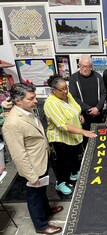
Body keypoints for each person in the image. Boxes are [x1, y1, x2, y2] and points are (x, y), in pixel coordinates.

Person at [2, 83, 63, 234]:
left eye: (34, 97)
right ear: (18, 101)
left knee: (42, 190)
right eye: (31, 98)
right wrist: (31, 175)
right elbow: (18, 155)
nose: (35, 101)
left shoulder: (27, 110)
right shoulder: (12, 123)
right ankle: (41, 225)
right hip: (32, 165)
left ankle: (47, 210)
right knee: (34, 196)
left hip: (41, 159)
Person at [44, 75, 97, 195]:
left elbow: (76, 109)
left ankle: (74, 174)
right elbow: (62, 125)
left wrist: (80, 116)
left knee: (73, 157)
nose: (65, 91)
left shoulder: (68, 95)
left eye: (66, 88)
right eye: (61, 89)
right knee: (63, 161)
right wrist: (84, 132)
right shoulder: (51, 103)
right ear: (53, 90)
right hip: (60, 138)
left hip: (74, 135)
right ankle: (60, 183)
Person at [69, 54, 106, 147]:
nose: (85, 69)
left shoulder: (98, 77)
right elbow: (74, 97)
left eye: (87, 67)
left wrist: (97, 108)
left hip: (98, 114)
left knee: (100, 139)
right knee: (87, 142)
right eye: (82, 66)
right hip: (83, 116)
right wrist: (89, 109)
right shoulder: (74, 78)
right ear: (79, 65)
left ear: (91, 66)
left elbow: (103, 93)